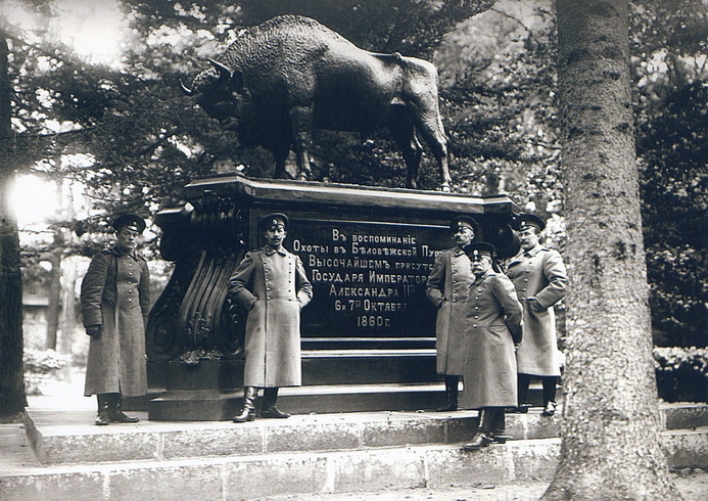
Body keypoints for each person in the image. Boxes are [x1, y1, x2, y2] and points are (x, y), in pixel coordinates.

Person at [228, 213, 313, 422]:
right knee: (256, 359)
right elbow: (234, 284)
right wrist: (253, 303)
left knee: (280, 359)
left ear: (285, 234)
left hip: (286, 317)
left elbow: (306, 287)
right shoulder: (254, 257)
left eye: (280, 231)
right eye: (272, 230)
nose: (276, 234)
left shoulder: (293, 260)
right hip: (261, 316)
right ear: (265, 234)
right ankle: (248, 407)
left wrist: (297, 303)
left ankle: (269, 406)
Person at [81, 214, 150, 426]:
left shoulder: (141, 263)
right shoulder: (104, 258)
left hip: (131, 319)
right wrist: (93, 320)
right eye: (127, 234)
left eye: (134, 235)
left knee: (128, 362)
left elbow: (144, 296)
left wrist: (143, 322)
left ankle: (118, 409)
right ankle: (103, 411)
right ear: (117, 235)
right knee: (106, 363)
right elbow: (91, 290)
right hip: (108, 317)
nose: (131, 238)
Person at [460, 242, 523, 451]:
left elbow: (514, 311)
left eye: (480, 260)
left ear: (489, 262)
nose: (475, 264)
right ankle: (499, 430)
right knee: (487, 384)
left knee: (490, 385)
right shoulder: (477, 283)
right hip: (480, 341)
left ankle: (483, 432)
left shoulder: (497, 280)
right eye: (472, 261)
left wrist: (511, 334)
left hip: (494, 340)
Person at [505, 213, 567, 417]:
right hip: (519, 316)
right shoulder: (516, 261)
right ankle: (520, 400)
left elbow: (560, 283)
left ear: (537, 235)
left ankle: (549, 401)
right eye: (521, 235)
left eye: (527, 234)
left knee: (545, 357)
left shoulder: (548, 256)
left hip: (538, 315)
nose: (523, 238)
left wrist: (539, 302)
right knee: (520, 357)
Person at [425, 215, 478, 411]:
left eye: (463, 232)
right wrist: (441, 302)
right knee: (451, 358)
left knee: (473, 357)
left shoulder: (481, 256)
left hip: (474, 313)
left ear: (471, 236)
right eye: (456, 232)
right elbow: (431, 285)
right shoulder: (446, 257)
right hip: (451, 314)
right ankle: (451, 401)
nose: (458, 235)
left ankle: (474, 400)